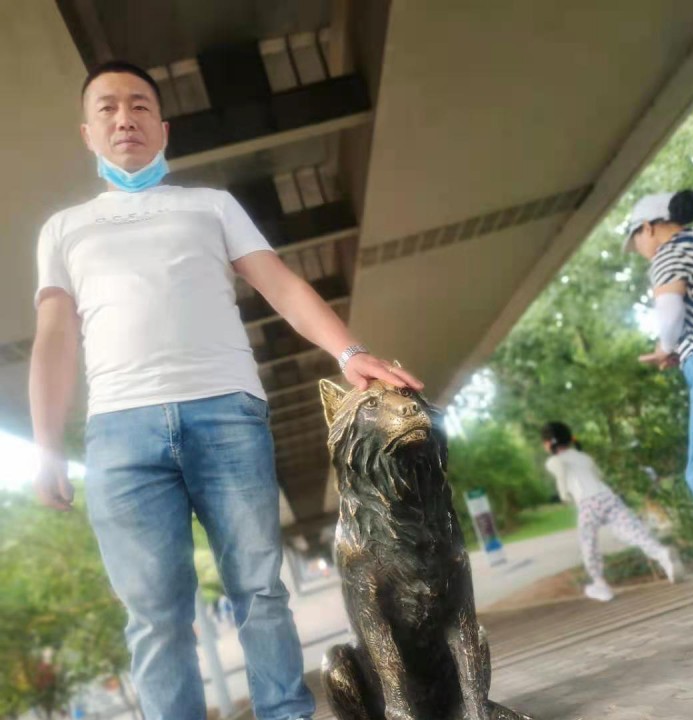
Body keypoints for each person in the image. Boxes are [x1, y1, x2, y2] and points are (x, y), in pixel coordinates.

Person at [29, 60, 423, 720]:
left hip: (225, 415)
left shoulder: (211, 205)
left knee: (259, 590)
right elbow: (54, 338)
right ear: (87, 132)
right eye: (107, 108)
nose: (125, 118)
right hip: (120, 435)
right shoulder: (64, 229)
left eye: (140, 105)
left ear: (164, 128)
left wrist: (350, 353)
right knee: (154, 614)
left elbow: (282, 285)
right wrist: (46, 446)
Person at [625, 189, 693, 594]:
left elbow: (671, 313)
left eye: (635, 239)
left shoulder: (669, 253)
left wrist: (666, 347)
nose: (638, 249)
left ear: (649, 228)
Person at [541, 422, 681, 602]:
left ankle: (599, 583)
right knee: (632, 530)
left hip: (587, 503)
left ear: (548, 443)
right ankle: (661, 554)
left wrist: (563, 495)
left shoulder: (554, 461)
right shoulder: (584, 457)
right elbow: (598, 475)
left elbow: (561, 474)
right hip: (607, 496)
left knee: (588, 543)